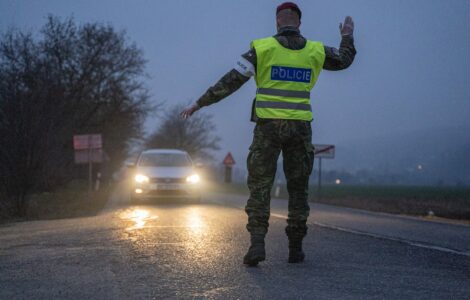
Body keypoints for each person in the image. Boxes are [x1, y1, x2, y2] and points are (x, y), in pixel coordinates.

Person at [181, 2, 356, 266]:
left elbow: (230, 81)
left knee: (260, 186)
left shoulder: (261, 49)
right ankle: (295, 248)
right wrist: (347, 36)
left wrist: (199, 103)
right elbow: (344, 60)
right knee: (298, 189)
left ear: (277, 22)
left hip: (267, 129)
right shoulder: (316, 50)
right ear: (299, 23)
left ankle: (257, 245)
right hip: (299, 128)